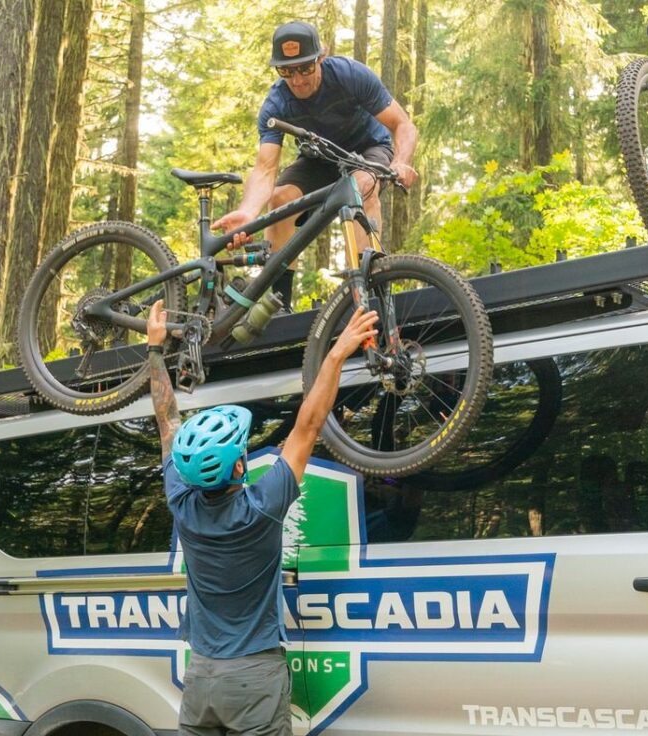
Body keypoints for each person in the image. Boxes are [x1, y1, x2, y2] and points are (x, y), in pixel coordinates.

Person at [144, 300, 378, 735]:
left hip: (201, 680)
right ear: (239, 467)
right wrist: (335, 353)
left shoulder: (183, 503)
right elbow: (308, 424)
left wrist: (155, 352)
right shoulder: (261, 508)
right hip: (255, 679)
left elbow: (167, 420)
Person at [209, 20, 421, 306]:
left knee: (361, 187)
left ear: (321, 58)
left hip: (367, 149)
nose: (297, 80)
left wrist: (402, 162)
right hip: (318, 159)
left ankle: (364, 294)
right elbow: (265, 168)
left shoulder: (350, 75)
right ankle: (279, 303)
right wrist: (248, 212)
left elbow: (403, 124)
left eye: (305, 68)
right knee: (280, 199)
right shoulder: (277, 103)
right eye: (286, 71)